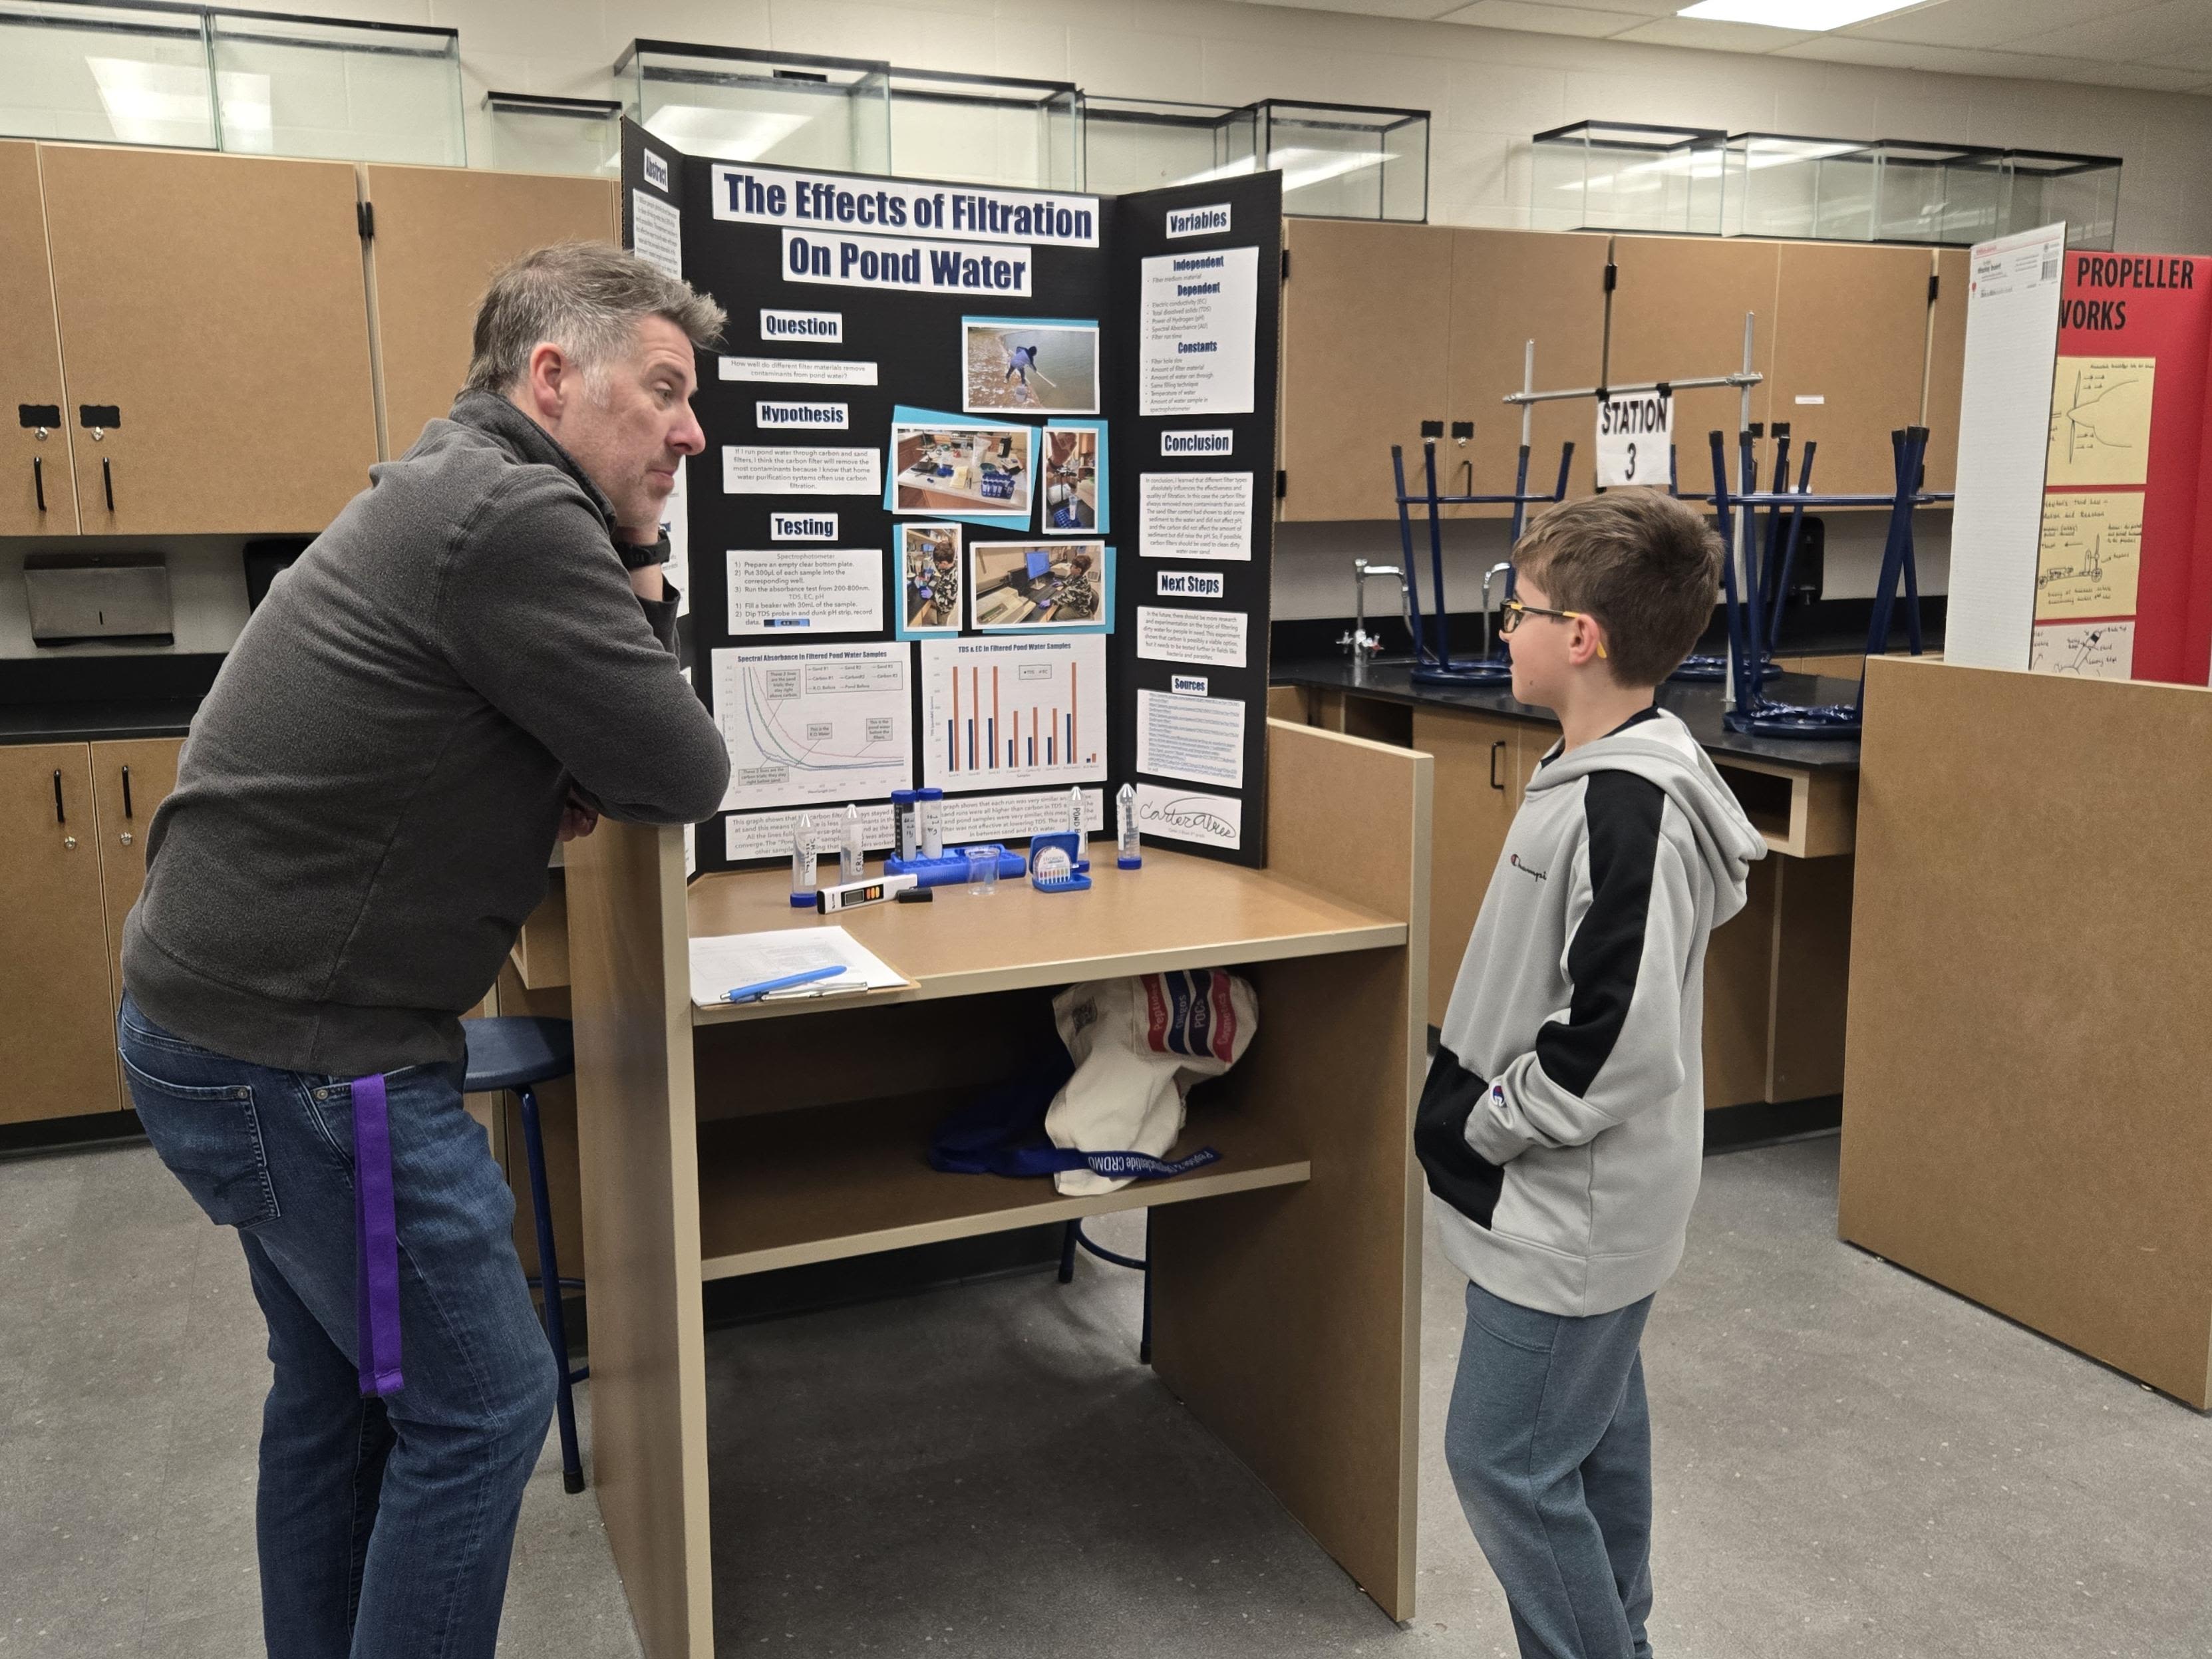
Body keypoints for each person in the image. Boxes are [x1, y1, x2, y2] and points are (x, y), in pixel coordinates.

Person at [114, 242, 732, 1659]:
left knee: (342, 1396)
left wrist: (540, 761)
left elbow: (572, 745)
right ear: (551, 376)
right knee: (484, 1403)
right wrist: (641, 566)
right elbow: (678, 768)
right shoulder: (516, 516)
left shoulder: (457, 483)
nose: (691, 431)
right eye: (664, 390)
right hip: (312, 1062)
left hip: (215, 1031)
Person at [1413, 492, 1763, 1659]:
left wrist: (1485, 1124)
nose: (1501, 629)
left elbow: (1615, 1042)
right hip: (1569, 1200)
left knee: (1501, 1460)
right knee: (1590, 1441)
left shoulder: (1630, 808)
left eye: (1517, 610)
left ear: (1582, 637)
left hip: (1569, 1210)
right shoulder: (1589, 767)